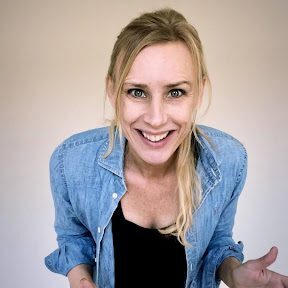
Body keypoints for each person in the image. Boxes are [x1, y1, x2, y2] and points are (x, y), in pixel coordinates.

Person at [45, 8, 288, 288]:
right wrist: (80, 279)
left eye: (176, 92)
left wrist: (234, 274)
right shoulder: (70, 162)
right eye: (137, 91)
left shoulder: (228, 161)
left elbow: (217, 241)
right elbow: (74, 237)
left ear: (198, 93)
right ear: (112, 91)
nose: (156, 119)